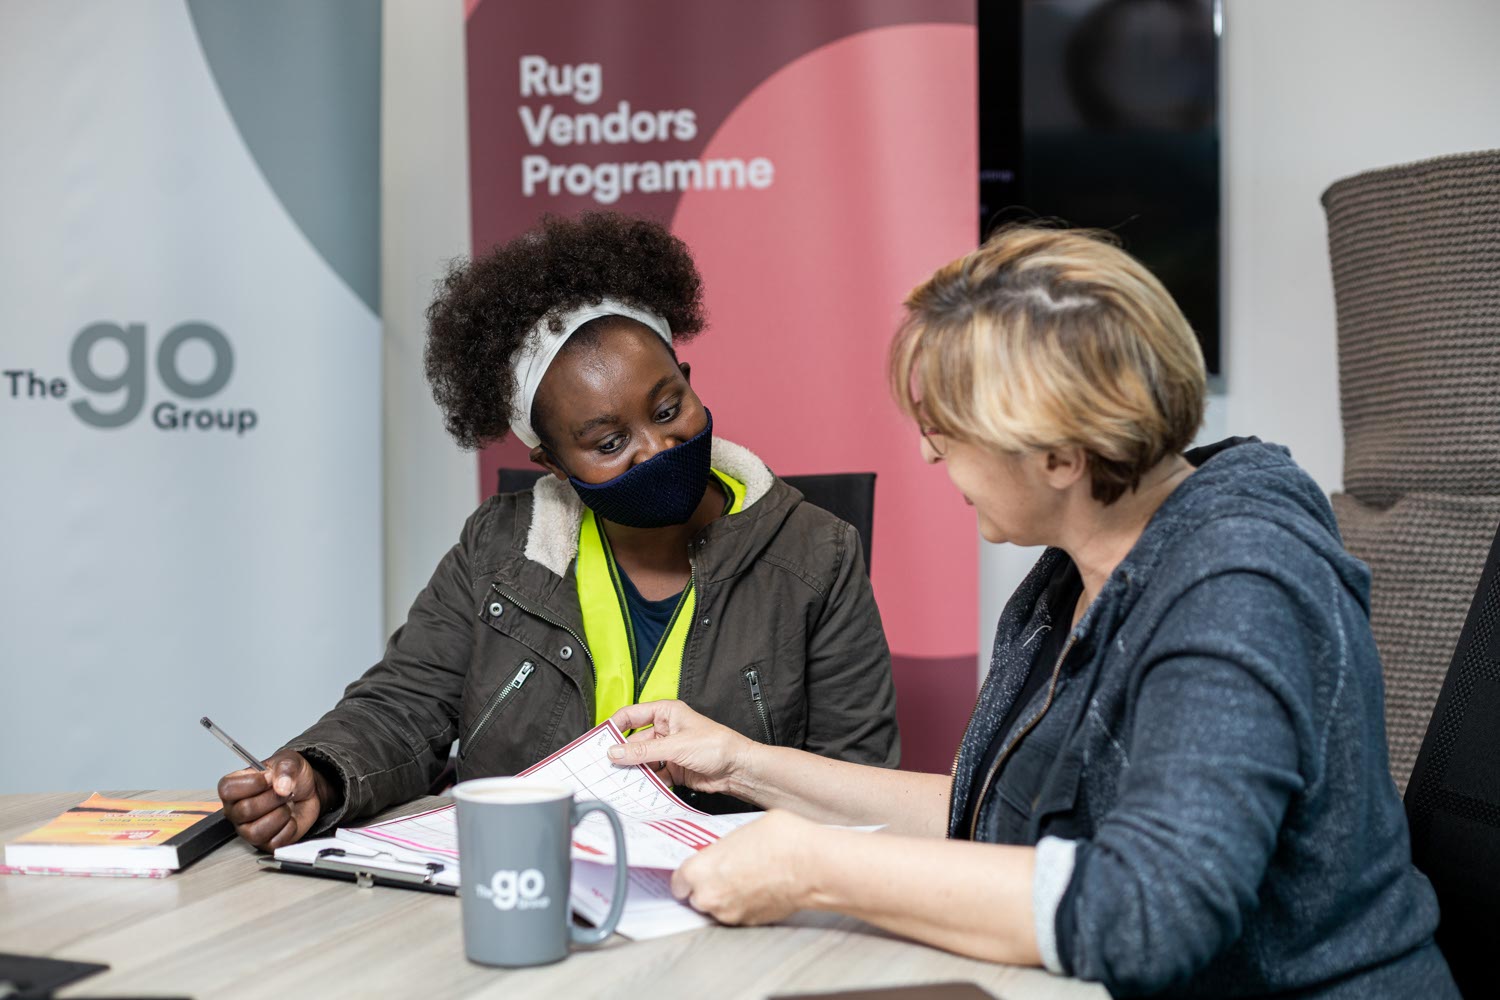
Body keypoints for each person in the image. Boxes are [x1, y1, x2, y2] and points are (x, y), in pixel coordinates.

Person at [603, 227, 1459, 997]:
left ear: (1057, 454)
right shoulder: (1073, 575)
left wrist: (815, 868)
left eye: (948, 426)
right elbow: (995, 818)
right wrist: (744, 765)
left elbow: (1149, 911)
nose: (929, 450)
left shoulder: (1239, 592)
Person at [216, 212, 899, 849]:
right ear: (549, 462)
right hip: (531, 882)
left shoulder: (818, 553)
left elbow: (858, 788)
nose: (657, 448)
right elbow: (404, 705)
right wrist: (320, 774)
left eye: (668, 407)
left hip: (735, 905)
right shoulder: (498, 549)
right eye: (607, 442)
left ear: (689, 381)